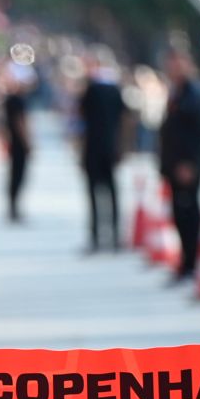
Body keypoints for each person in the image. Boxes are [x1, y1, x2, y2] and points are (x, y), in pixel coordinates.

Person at [158, 47, 200, 283]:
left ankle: (192, 262)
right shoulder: (177, 92)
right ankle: (185, 261)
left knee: (189, 214)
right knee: (178, 214)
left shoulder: (193, 93)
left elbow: (194, 130)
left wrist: (188, 163)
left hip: (187, 164)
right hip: (173, 164)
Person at [77, 50, 126, 252]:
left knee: (95, 194)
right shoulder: (115, 90)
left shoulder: (90, 90)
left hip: (94, 149)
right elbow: (125, 120)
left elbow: (81, 122)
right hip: (110, 147)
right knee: (112, 193)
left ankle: (97, 237)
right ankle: (114, 236)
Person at [0, 66, 33, 223]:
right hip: (17, 143)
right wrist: (27, 142)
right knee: (17, 176)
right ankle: (14, 208)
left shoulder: (9, 99)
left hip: (12, 142)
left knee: (14, 175)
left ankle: (13, 207)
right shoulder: (16, 100)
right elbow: (20, 122)